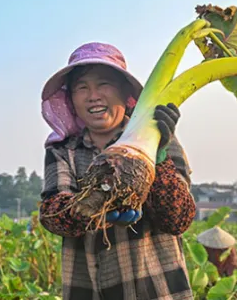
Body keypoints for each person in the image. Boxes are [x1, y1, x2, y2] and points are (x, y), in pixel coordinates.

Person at [38, 42, 197, 300]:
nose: (93, 95)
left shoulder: (158, 140)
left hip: (159, 291)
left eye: (104, 84)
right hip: (88, 291)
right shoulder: (62, 150)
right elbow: (52, 214)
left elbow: (178, 219)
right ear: (71, 100)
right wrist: (95, 205)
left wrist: (158, 159)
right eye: (82, 88)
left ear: (126, 94)